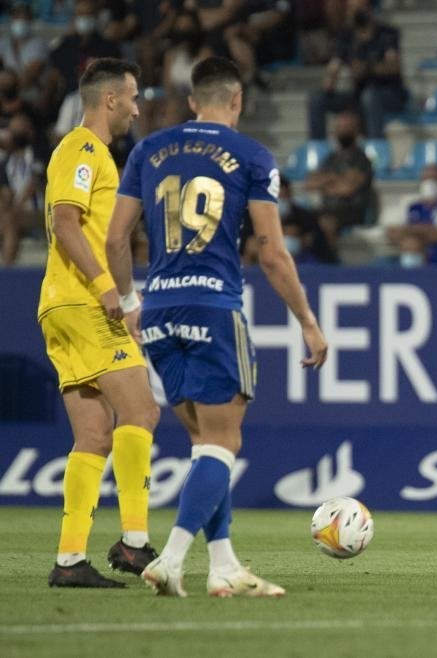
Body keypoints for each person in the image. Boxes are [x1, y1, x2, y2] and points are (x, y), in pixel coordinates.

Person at [105, 56, 328, 598]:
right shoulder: (251, 154)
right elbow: (272, 252)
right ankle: (172, 558)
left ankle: (224, 565)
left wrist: (132, 301)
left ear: (190, 101)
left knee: (205, 443)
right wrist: (308, 322)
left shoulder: (147, 149)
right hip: (213, 307)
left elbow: (114, 240)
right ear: (237, 101)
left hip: (157, 311)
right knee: (224, 441)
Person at [38, 58, 159, 588]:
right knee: (143, 409)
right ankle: (135, 544)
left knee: (93, 437)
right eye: (132, 97)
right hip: (84, 303)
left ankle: (69, 561)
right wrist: (111, 290)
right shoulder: (83, 150)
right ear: (109, 100)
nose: (137, 107)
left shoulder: (93, 155)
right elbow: (66, 222)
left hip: (63, 307)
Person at [306, 0, 406, 140]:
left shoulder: (386, 33)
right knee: (317, 100)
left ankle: (375, 145)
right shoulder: (347, 37)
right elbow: (334, 65)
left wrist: (367, 68)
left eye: (357, 8)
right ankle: (317, 148)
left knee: (369, 96)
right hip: (358, 94)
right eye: (350, 9)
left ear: (369, 9)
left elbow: (393, 66)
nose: (353, 12)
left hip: (388, 93)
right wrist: (330, 80)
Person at [304, 110, 376, 235]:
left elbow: (347, 189)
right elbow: (310, 184)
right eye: (340, 127)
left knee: (325, 224)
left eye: (347, 127)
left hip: (350, 211)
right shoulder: (330, 158)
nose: (343, 130)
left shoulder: (361, 159)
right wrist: (338, 178)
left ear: (356, 130)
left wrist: (326, 183)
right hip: (326, 209)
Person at [386, 164, 437, 265]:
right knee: (409, 244)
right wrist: (423, 231)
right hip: (408, 254)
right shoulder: (410, 205)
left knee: (412, 242)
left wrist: (409, 231)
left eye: (435, 179)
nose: (430, 182)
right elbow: (392, 232)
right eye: (427, 178)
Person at [0, 111, 46, 265]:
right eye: (13, 129)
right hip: (16, 213)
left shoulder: (40, 153)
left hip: (40, 211)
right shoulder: (6, 162)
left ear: (29, 131)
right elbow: (6, 193)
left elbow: (36, 181)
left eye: (19, 127)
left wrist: (16, 208)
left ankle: (6, 274)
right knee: (8, 219)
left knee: (11, 219)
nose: (15, 132)